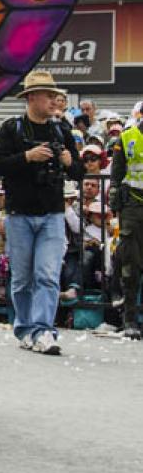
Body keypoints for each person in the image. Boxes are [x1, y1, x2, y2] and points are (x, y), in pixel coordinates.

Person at [0, 70, 83, 354]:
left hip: (53, 215)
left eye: (55, 94)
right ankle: (26, 329)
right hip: (19, 214)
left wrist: (69, 161)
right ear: (32, 97)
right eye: (48, 94)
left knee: (47, 274)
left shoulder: (62, 130)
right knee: (21, 278)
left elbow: (79, 172)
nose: (54, 100)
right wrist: (27, 157)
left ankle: (44, 330)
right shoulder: (11, 129)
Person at [109, 111, 143, 339]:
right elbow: (117, 173)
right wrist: (115, 201)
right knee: (131, 265)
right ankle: (129, 320)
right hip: (134, 204)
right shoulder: (127, 136)